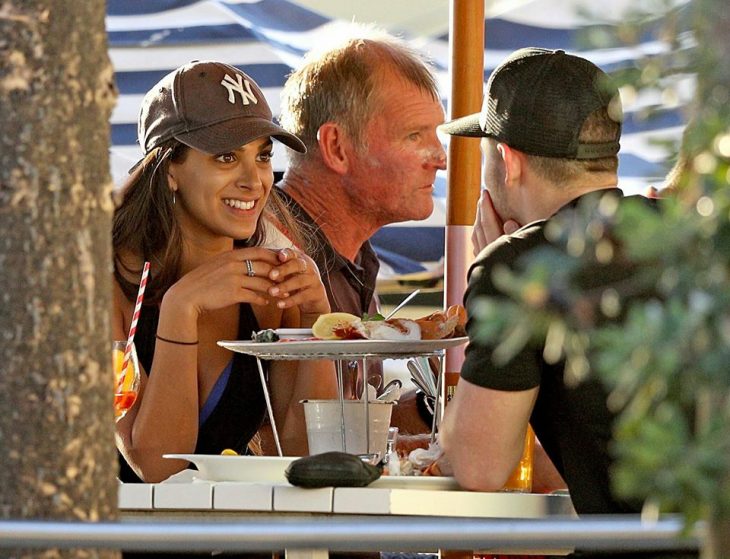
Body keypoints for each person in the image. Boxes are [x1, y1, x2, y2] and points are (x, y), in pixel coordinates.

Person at [438, 48, 696, 558]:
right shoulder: (687, 238)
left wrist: (495, 278)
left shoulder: (523, 267)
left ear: (508, 160)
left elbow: (477, 467)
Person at [113, 60, 337, 486]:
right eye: (226, 157)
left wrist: (315, 321)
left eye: (263, 156)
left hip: (234, 539)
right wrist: (181, 307)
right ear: (170, 170)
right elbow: (157, 468)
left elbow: (306, 457)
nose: (254, 180)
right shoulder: (106, 285)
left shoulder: (272, 291)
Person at [272, 26, 447, 433]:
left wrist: (441, 396)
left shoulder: (354, 254)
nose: (439, 157)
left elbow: (350, 424)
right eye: (414, 135)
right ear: (336, 147)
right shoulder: (270, 252)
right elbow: (280, 440)